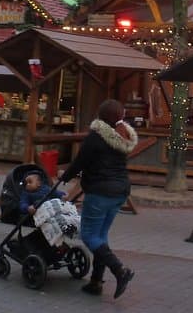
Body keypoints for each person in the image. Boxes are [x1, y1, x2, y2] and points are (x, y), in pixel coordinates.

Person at [58, 98, 138, 299]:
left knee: (89, 236)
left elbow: (80, 162)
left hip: (100, 192)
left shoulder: (95, 137)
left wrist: (65, 177)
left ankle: (120, 271)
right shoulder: (122, 137)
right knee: (100, 237)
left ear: (100, 116)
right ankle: (95, 282)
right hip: (120, 192)